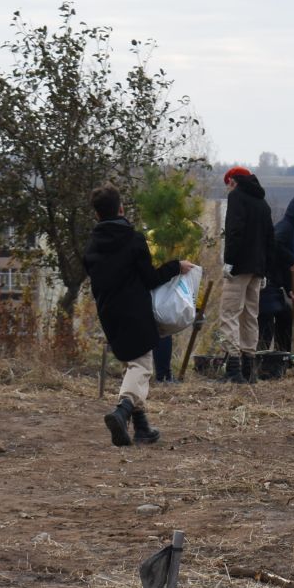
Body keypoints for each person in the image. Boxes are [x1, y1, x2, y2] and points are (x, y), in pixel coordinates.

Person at [83, 184, 196, 446]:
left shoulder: (91, 247)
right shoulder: (133, 239)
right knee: (141, 367)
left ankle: (142, 427)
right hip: (135, 312)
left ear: (97, 215)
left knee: (133, 365)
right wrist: (176, 267)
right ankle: (122, 411)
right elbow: (150, 279)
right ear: (121, 208)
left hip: (109, 314)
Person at [218, 165, 273, 384]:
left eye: (228, 184)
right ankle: (249, 369)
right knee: (250, 315)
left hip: (239, 266)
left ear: (233, 181)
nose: (228, 189)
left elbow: (234, 230)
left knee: (229, 313)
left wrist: (229, 261)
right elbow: (270, 238)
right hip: (257, 269)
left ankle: (233, 369)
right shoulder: (263, 203)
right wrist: (265, 269)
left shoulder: (237, 198)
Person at [258, 194, 294, 357]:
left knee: (285, 314)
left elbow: (283, 266)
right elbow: (274, 244)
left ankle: (281, 358)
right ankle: (260, 361)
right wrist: (292, 259)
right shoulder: (285, 228)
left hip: (274, 285)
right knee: (267, 321)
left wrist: (291, 290)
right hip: (266, 285)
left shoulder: (293, 232)